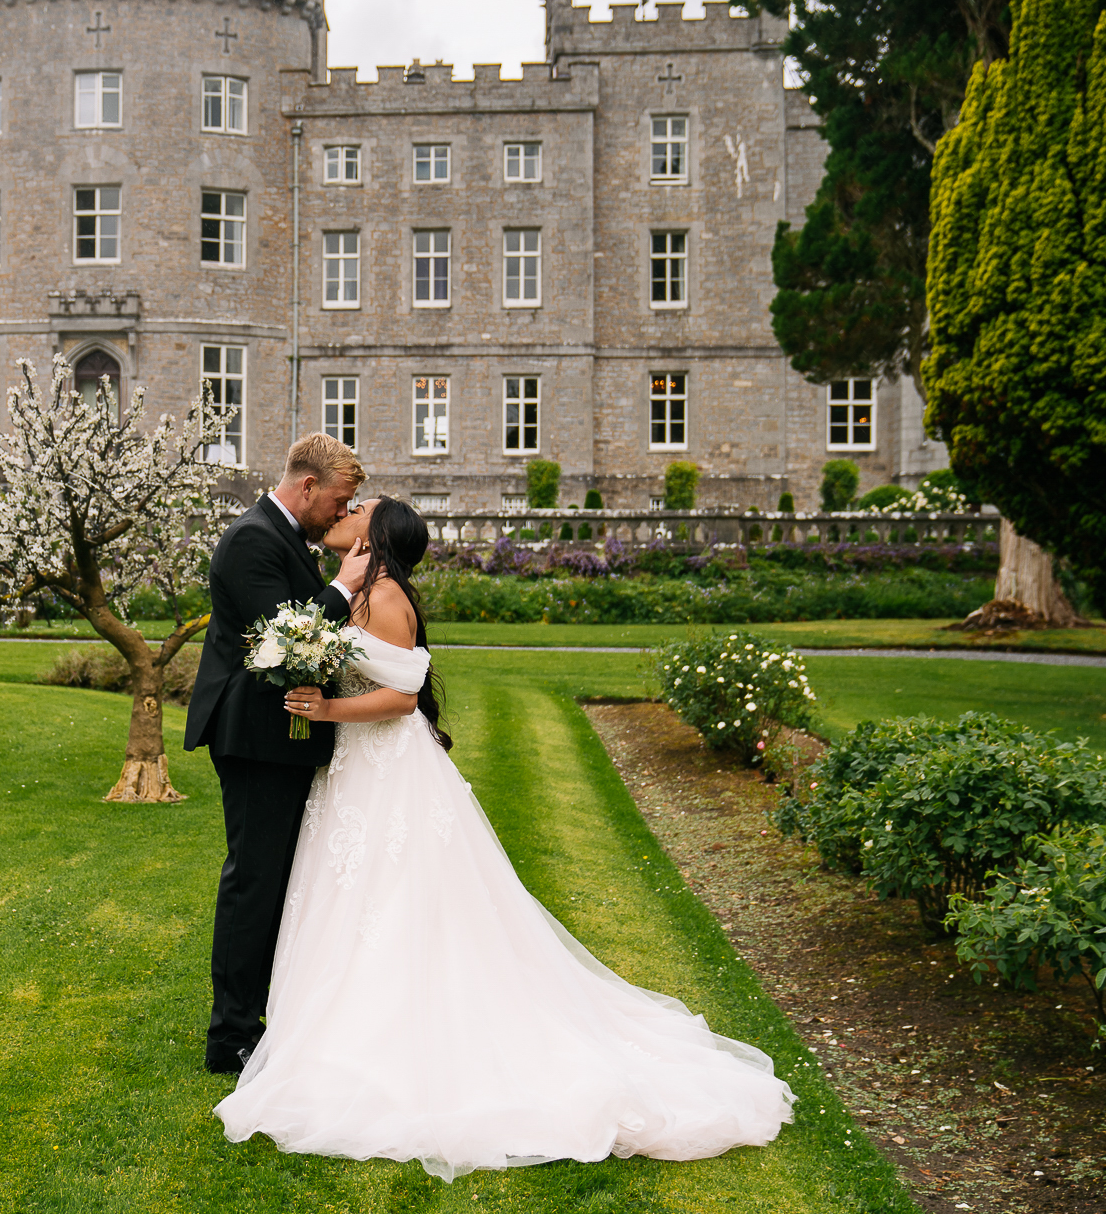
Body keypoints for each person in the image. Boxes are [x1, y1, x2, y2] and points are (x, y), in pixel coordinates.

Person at [213, 497, 796, 1180]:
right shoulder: (348, 593)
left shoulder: (386, 595)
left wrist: (328, 706)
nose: (348, 509)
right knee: (348, 895)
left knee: (398, 894)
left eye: (361, 507)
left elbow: (404, 691)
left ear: (374, 536)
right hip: (351, 771)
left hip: (388, 770)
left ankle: (394, 1035)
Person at [186, 434, 371, 1075]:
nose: (342, 514)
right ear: (308, 486)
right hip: (255, 737)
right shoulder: (251, 538)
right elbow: (285, 636)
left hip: (280, 733)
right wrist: (345, 587)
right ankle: (230, 1035)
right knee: (254, 881)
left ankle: (264, 1017)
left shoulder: (285, 537)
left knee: (277, 881)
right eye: (341, 502)